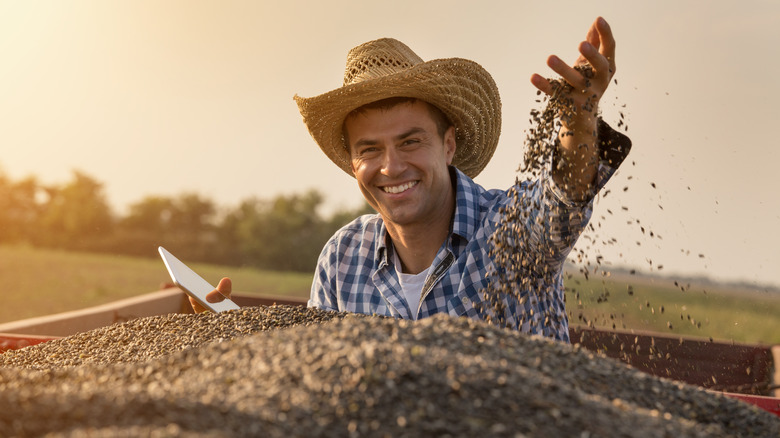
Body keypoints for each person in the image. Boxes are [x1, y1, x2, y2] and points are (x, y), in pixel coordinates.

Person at [193, 17, 630, 342]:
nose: (391, 167)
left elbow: (562, 202)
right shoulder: (342, 259)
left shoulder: (511, 230)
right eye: (369, 149)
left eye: (410, 141)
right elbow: (316, 375)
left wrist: (579, 120)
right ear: (351, 162)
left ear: (449, 145)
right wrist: (236, 339)